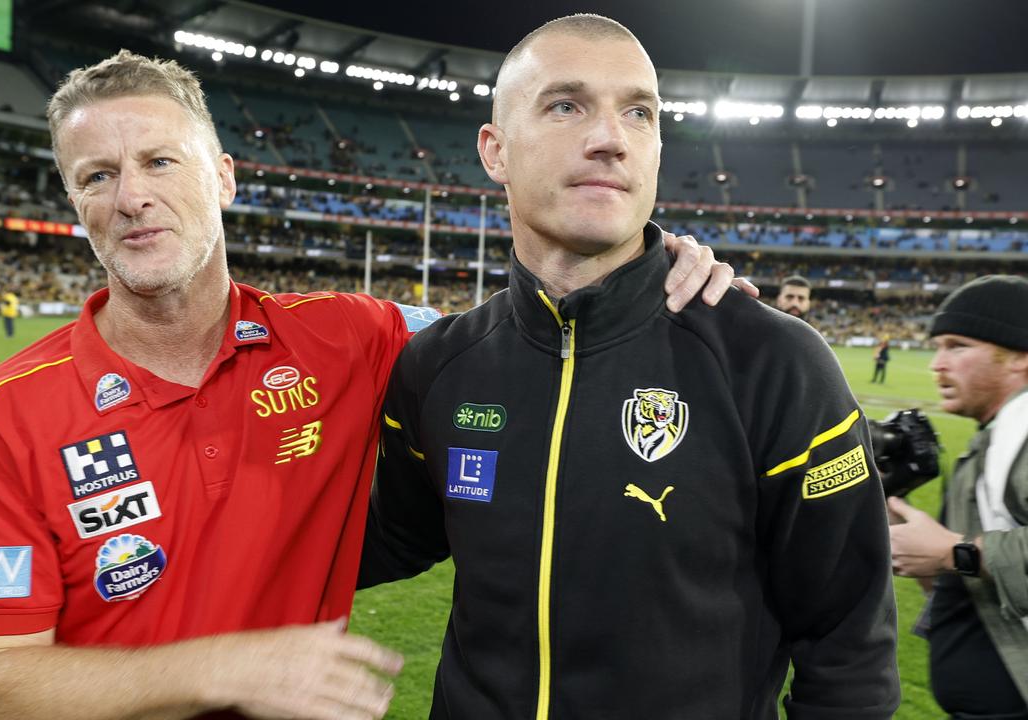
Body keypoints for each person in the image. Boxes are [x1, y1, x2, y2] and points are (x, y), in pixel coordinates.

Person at [0, 49, 748, 720]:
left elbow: (528, 333)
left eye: (161, 162)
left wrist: (649, 268)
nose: (132, 197)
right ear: (74, 202)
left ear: (224, 179)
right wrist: (227, 667)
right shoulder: (2, 417)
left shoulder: (348, 337)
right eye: (97, 176)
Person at [358, 14, 899, 719]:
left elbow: (848, 646)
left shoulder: (771, 361)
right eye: (565, 105)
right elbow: (390, 537)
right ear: (495, 151)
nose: (610, 138)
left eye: (638, 113)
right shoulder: (438, 365)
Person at [888, 275, 1028, 718]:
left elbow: (962, 557)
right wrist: (894, 506)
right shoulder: (992, 440)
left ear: (1019, 357)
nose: (937, 364)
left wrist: (956, 553)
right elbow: (962, 579)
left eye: (957, 346)